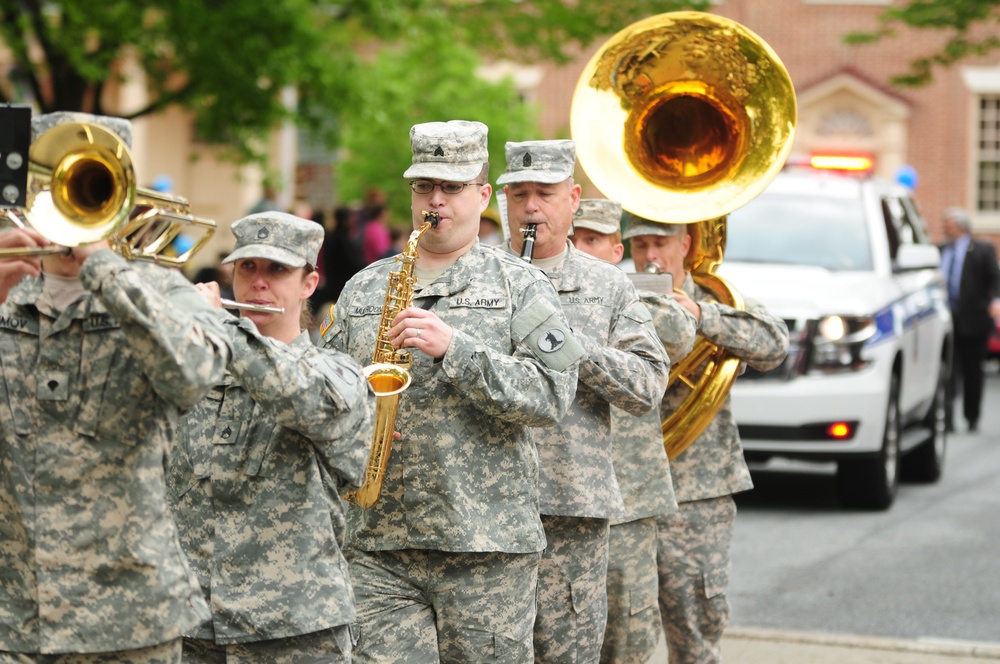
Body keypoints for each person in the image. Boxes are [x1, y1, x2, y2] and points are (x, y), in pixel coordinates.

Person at [320, 120, 585, 663]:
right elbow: (329, 397)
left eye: (452, 187)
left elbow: (553, 395)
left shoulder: (522, 285)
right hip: (379, 543)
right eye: (423, 187)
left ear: (483, 195)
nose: (435, 200)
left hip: (485, 545)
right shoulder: (365, 286)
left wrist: (456, 351)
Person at [0, 112, 231, 663]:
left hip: (131, 619)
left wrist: (106, 269)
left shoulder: (160, 295)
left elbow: (196, 372)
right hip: (15, 619)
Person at [173, 211, 374, 662]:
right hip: (189, 629)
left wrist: (223, 328)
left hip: (295, 632)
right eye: (247, 268)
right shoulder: (194, 367)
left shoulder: (336, 373)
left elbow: (290, 390)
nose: (258, 283)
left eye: (277, 269)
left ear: (309, 283)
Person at [498, 141, 670, 664]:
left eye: (545, 194)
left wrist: (565, 345)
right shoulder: (476, 277)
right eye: (519, 194)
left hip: (571, 508)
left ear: (572, 199)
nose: (531, 207)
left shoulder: (608, 285)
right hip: (488, 509)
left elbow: (646, 386)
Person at [623, 214, 789, 664]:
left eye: (660, 243)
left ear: (687, 244)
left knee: (696, 629)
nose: (650, 257)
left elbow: (775, 344)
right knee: (619, 634)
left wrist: (702, 316)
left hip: (696, 492)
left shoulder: (715, 299)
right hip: (628, 488)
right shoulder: (617, 297)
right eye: (640, 247)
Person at [569, 199, 697, 664]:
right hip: (563, 497)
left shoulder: (636, 295)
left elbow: (679, 331)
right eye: (574, 239)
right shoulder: (535, 284)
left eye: (592, 241)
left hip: (629, 497)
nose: (579, 249)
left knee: (627, 641)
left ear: (615, 250)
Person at [940, 206, 1000, 433]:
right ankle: (946, 419)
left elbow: (996, 279)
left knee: (973, 372)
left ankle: (972, 417)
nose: (946, 230)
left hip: (974, 321)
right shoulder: (942, 250)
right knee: (947, 372)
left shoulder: (982, 250)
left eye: (949, 226)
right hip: (947, 321)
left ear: (961, 227)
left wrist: (995, 301)